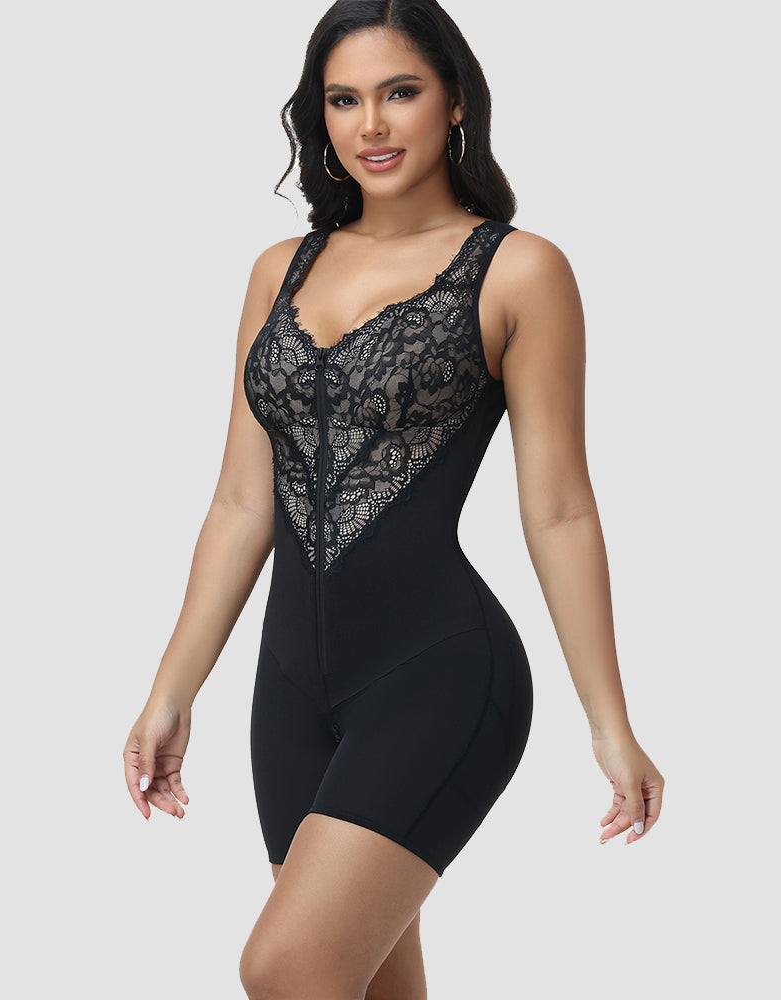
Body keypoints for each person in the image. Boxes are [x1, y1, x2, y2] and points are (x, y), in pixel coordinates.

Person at [123, 1, 665, 996]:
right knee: (362, 984)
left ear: (453, 100)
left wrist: (609, 721)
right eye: (343, 100)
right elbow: (241, 501)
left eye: (399, 91)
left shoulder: (518, 270)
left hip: (440, 675)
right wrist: (170, 691)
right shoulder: (278, 272)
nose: (370, 124)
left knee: (285, 967)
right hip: (290, 690)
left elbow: (559, 510)